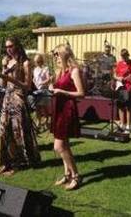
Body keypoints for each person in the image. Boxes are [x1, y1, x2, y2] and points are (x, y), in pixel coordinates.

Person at [0, 37, 41, 176]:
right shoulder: (7, 62)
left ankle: (20, 163)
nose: (8, 49)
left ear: (17, 45)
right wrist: (4, 68)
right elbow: (2, 84)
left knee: (18, 131)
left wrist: (12, 79)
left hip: (19, 98)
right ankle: (6, 162)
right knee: (4, 130)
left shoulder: (25, 63)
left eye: (10, 46)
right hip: (7, 98)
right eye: (6, 47)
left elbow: (27, 86)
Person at [49, 44, 84, 190]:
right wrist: (52, 87)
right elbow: (56, 88)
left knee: (59, 146)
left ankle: (76, 175)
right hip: (58, 108)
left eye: (57, 54)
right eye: (54, 54)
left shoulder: (74, 71)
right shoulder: (60, 72)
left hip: (67, 110)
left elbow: (81, 93)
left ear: (64, 54)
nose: (55, 57)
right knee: (65, 144)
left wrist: (62, 92)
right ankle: (67, 174)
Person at [113, 48, 131, 134]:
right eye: (122, 57)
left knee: (128, 107)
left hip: (128, 87)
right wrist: (118, 78)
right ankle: (122, 124)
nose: (123, 58)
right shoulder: (119, 64)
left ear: (128, 55)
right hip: (120, 87)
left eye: (125, 56)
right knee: (120, 106)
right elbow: (115, 75)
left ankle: (128, 125)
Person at [32, 53, 51, 126]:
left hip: (43, 90)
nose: (36, 63)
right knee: (37, 107)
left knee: (44, 107)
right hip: (37, 90)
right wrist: (34, 80)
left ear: (41, 61)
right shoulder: (35, 69)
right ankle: (38, 121)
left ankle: (46, 120)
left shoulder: (45, 69)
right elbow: (35, 78)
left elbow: (48, 79)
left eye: (38, 61)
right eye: (36, 62)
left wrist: (42, 83)